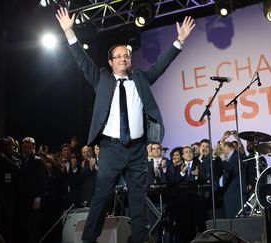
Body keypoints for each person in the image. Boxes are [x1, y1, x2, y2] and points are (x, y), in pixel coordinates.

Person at [55, 6, 195, 243]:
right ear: (110, 62)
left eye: (126, 55)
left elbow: (161, 65)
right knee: (101, 198)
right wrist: (69, 33)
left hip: (137, 150)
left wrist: (179, 41)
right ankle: (89, 239)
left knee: (138, 201)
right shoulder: (101, 78)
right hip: (111, 149)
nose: (123, 58)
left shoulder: (140, 78)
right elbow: (81, 60)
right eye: (118, 56)